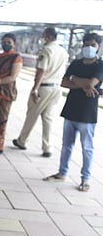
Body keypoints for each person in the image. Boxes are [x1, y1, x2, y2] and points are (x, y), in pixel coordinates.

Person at [43, 32, 103, 192]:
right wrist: (86, 85)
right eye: (86, 44)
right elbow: (63, 82)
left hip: (88, 114)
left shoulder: (100, 65)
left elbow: (92, 82)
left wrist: (75, 79)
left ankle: (85, 179)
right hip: (71, 110)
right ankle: (62, 173)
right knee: (66, 145)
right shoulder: (76, 63)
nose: (89, 47)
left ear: (98, 47)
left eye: (93, 45)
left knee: (87, 148)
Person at [12, 27, 69, 157]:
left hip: (44, 88)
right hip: (56, 88)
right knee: (48, 118)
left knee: (32, 114)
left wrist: (35, 89)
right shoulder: (63, 51)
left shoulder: (46, 50)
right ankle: (47, 147)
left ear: (48, 36)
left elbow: (41, 71)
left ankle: (22, 140)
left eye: (43, 36)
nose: (42, 39)